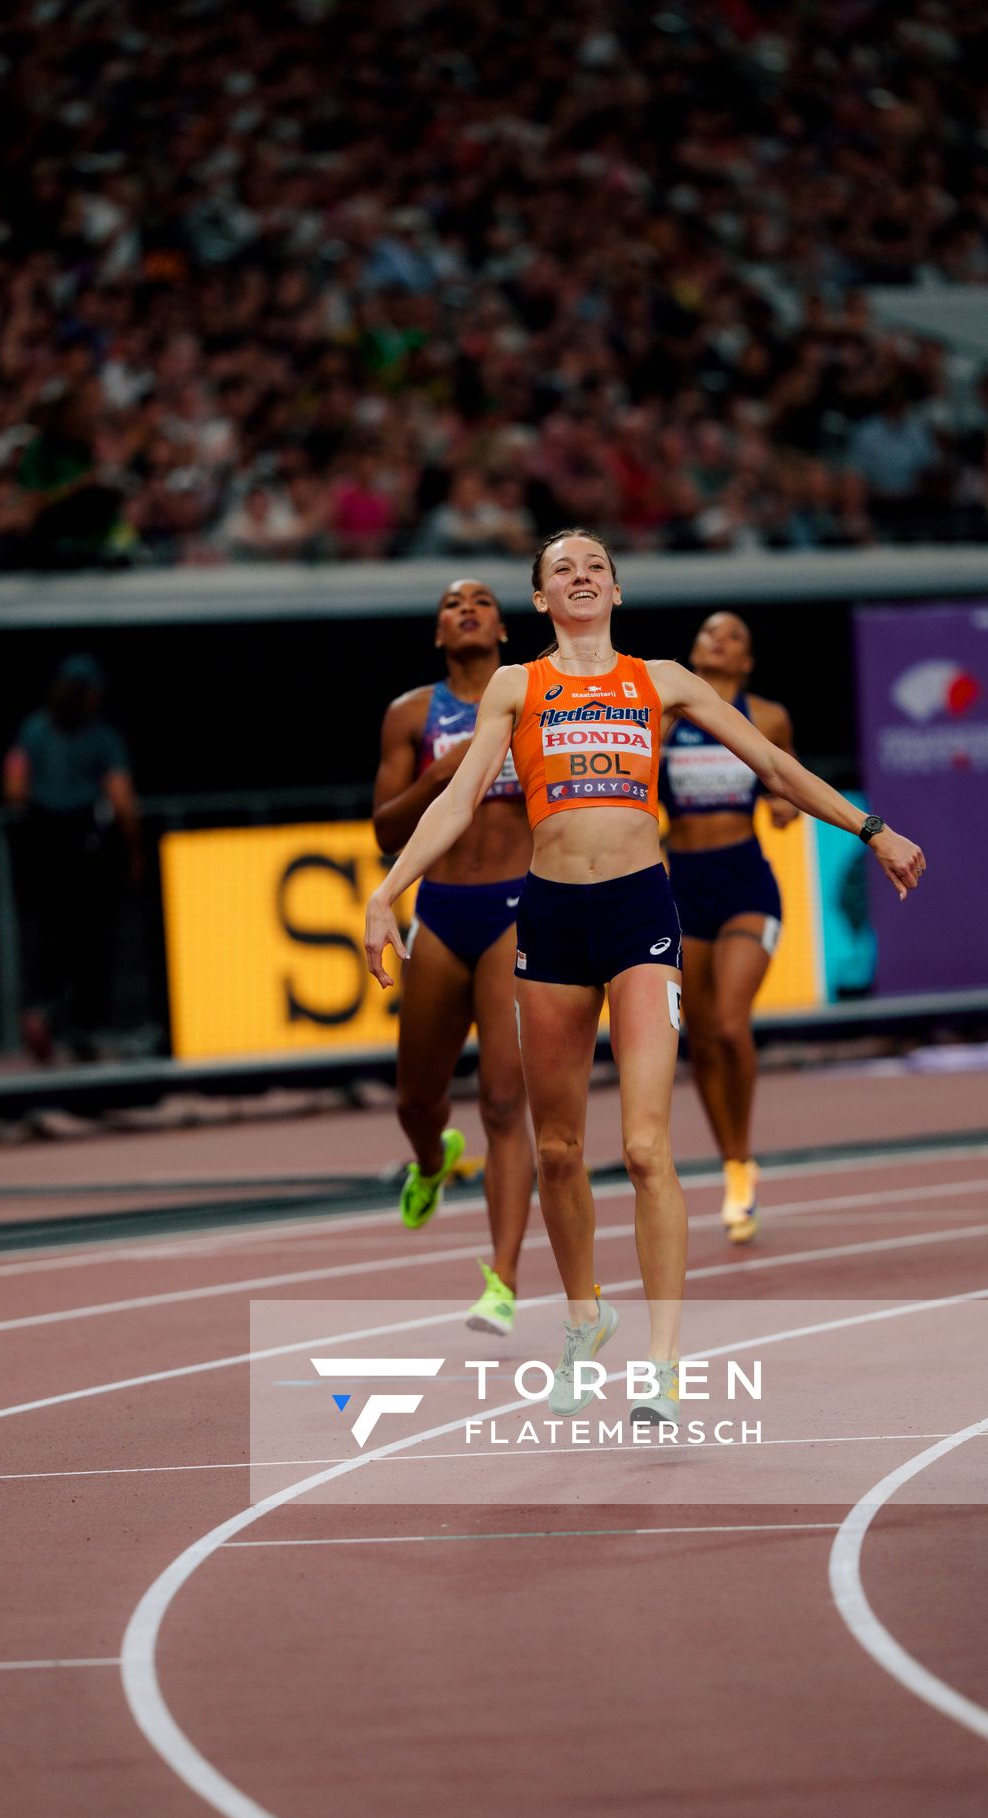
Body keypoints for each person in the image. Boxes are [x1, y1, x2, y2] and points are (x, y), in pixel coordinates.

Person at [365, 530, 926, 1430]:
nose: (581, 578)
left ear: (616, 591)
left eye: (595, 567)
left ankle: (664, 1367)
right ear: (541, 603)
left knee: (643, 1148)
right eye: (562, 571)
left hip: (637, 915)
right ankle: (585, 1316)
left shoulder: (662, 680)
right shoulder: (517, 687)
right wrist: (388, 894)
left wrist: (871, 829)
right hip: (547, 919)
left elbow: (774, 766)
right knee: (556, 1149)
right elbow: (459, 800)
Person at [372, 579, 535, 1334]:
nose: (465, 608)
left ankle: (501, 1282)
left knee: (505, 1101)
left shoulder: (537, 698)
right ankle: (432, 1162)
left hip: (518, 908)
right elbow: (383, 831)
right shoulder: (412, 714)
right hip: (441, 911)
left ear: (503, 626)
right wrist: (443, 774)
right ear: (440, 634)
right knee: (416, 1098)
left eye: (478, 601)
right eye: (450, 604)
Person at [660, 611, 794, 1243]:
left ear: (745, 664)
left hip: (745, 885)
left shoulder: (765, 718)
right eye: (710, 632)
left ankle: (741, 1161)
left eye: (734, 635)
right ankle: (735, 1163)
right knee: (703, 1039)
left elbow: (787, 784)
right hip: (683, 888)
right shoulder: (661, 717)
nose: (718, 639)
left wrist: (784, 802)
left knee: (731, 1023)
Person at [3, 654, 142, 1062]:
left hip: (43, 841)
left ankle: (42, 1009)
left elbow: (14, 787)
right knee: (93, 938)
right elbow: (121, 797)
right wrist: (134, 848)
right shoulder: (100, 737)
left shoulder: (33, 731)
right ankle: (86, 1026)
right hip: (86, 844)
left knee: (51, 934)